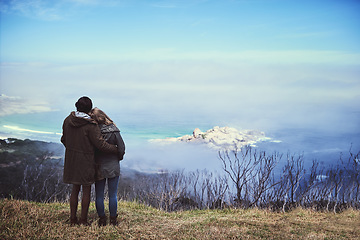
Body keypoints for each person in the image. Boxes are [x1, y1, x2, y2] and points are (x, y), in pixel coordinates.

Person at [61, 97, 118, 226]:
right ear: (89, 109)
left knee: (75, 189)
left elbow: (64, 139)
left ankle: (72, 219)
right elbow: (101, 145)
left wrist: (72, 150)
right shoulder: (90, 125)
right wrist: (115, 149)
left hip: (71, 159)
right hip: (86, 161)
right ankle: (83, 220)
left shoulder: (67, 120)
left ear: (77, 106)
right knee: (86, 190)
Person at [90, 107, 125, 226]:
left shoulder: (93, 131)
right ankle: (113, 220)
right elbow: (121, 148)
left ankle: (102, 219)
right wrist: (118, 158)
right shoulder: (114, 130)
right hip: (113, 165)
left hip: (98, 165)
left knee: (99, 195)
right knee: (113, 194)